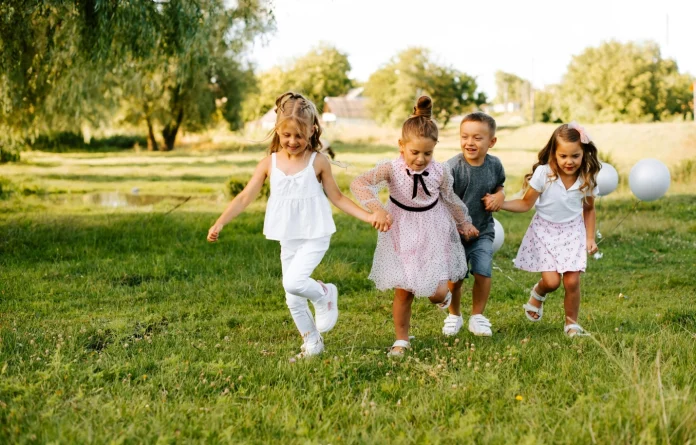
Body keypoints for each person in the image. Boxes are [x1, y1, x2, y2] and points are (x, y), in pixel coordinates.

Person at [207, 92, 389, 358]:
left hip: (315, 234)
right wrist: (220, 222)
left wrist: (369, 215)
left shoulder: (318, 162)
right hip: (288, 236)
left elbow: (337, 197)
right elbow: (246, 196)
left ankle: (325, 293)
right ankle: (313, 344)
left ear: (312, 131)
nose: (293, 141)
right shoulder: (268, 164)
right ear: (278, 131)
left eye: (299, 136)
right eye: (286, 135)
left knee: (294, 281)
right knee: (292, 296)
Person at [350, 96, 479, 357]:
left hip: (432, 230)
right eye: (415, 152)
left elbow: (450, 199)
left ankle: (443, 298)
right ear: (401, 146)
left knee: (436, 291)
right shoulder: (390, 168)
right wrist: (378, 209)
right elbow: (359, 184)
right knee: (404, 290)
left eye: (428, 153)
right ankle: (401, 340)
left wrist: (463, 222)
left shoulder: (440, 171)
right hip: (401, 231)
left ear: (435, 149)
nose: (421, 159)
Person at [500, 122, 600, 337]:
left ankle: (571, 324)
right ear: (554, 153)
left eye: (575, 156)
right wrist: (502, 204)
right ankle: (538, 291)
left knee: (572, 281)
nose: (569, 161)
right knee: (552, 282)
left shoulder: (586, 178)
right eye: (563, 156)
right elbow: (526, 204)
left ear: (584, 154)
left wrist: (590, 238)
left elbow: (589, 209)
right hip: (544, 232)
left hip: (573, 232)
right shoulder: (544, 174)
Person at [444, 112, 506, 337]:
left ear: (492, 142)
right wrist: (460, 225)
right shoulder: (451, 168)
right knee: (455, 278)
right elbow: (443, 200)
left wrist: (500, 196)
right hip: (454, 234)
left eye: (477, 138)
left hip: (483, 231)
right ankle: (454, 315)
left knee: (483, 272)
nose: (469, 142)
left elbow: (499, 186)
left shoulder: (494, 165)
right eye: (465, 136)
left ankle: (478, 316)